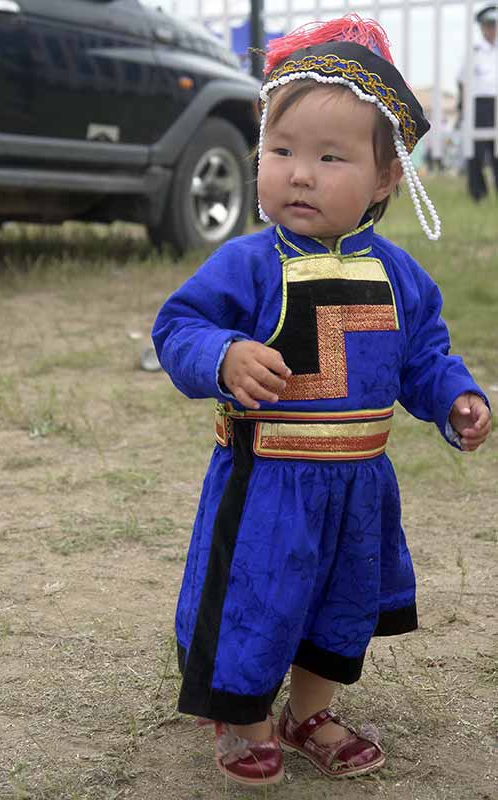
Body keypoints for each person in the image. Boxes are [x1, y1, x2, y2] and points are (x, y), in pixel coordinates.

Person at [152, 15, 492, 787]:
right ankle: (242, 716)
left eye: (327, 157)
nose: (298, 173)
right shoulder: (248, 261)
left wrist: (455, 400)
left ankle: (308, 711)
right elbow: (179, 327)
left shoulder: (400, 276)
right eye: (280, 152)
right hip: (268, 481)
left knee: (338, 605)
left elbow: (425, 357)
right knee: (257, 597)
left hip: (357, 485)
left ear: (382, 179)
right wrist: (223, 356)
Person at [457, 4, 498, 200]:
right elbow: (463, 82)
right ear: (482, 27)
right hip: (479, 106)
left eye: (495, 25)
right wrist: (464, 110)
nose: (492, 29)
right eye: (489, 25)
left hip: (497, 104)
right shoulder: (474, 52)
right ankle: (478, 194)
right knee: (477, 153)